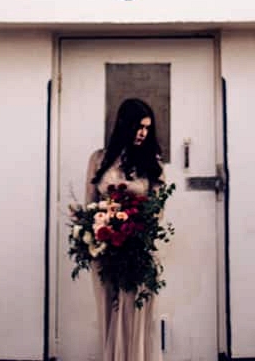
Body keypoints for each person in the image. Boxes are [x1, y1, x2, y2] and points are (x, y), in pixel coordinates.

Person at [85, 98, 164, 361]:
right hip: (105, 251)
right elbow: (89, 206)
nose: (143, 133)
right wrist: (95, 232)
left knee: (135, 312)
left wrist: (135, 231)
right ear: (125, 125)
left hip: (138, 251)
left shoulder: (152, 162)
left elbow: (157, 211)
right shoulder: (98, 159)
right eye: (139, 126)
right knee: (110, 311)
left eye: (147, 128)